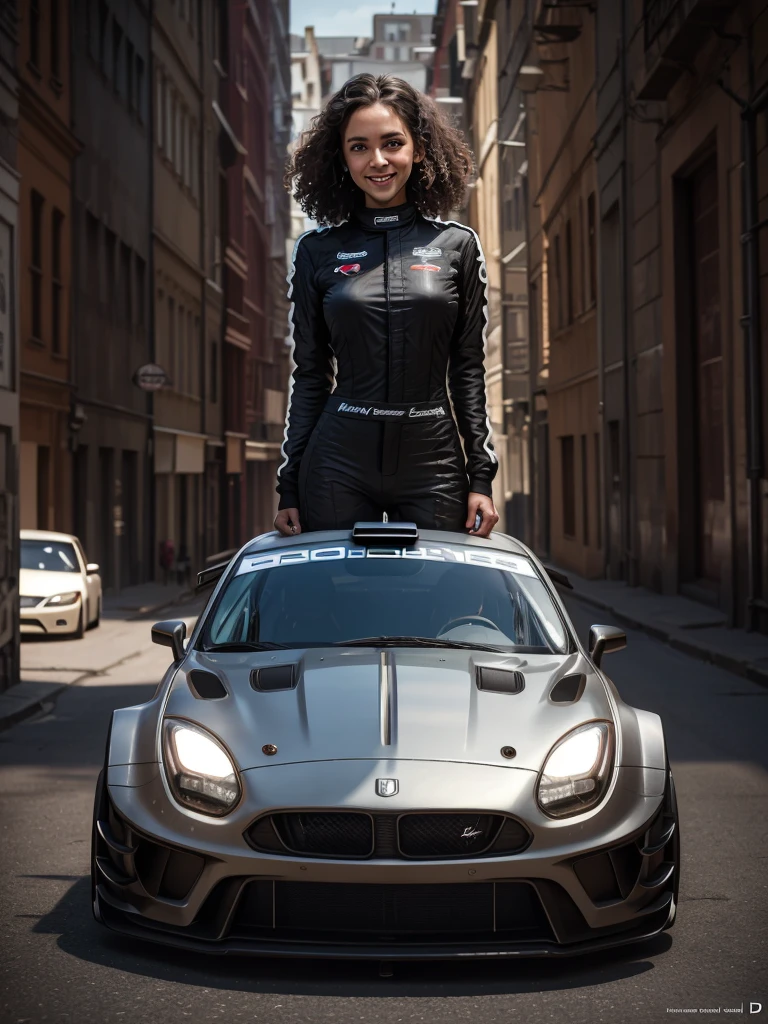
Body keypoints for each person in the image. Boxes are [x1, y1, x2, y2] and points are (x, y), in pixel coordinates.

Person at [274, 73, 500, 539]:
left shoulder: (457, 245)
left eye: (392, 143)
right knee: (336, 602)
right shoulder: (316, 250)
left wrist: (481, 477)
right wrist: (290, 485)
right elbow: (311, 374)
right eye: (359, 146)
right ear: (342, 157)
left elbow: (468, 371)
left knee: (433, 603)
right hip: (337, 457)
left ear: (418, 149)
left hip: (432, 458)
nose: (377, 160)